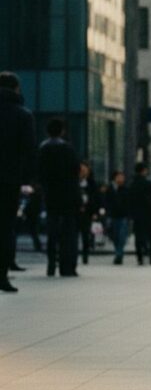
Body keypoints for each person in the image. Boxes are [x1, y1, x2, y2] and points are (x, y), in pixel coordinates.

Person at [0, 72, 36, 292]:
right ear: (16, 89)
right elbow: (29, 152)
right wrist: (28, 180)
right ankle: (2, 275)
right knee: (5, 227)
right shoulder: (23, 115)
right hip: (9, 180)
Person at [38, 118, 81, 278]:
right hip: (68, 196)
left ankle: (51, 264)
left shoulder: (43, 149)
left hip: (51, 196)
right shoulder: (67, 149)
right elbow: (75, 171)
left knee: (52, 231)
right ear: (62, 131)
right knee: (68, 233)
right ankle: (67, 266)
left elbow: (40, 173)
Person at [129, 163, 151, 266]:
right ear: (144, 170)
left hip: (137, 215)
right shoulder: (148, 184)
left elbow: (130, 201)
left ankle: (140, 257)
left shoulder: (132, 184)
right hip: (149, 214)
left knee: (138, 236)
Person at [105, 170, 131, 264]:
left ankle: (119, 254)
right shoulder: (109, 189)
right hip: (113, 216)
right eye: (119, 177)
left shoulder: (125, 189)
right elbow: (106, 202)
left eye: (122, 177)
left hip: (123, 216)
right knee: (115, 236)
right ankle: (118, 252)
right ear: (114, 178)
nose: (121, 179)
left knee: (122, 236)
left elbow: (128, 203)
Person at [77, 161, 99, 265]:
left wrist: (95, 212)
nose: (83, 172)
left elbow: (95, 198)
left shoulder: (91, 183)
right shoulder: (74, 182)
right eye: (81, 170)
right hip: (75, 212)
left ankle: (85, 256)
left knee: (86, 235)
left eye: (85, 170)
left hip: (87, 213)